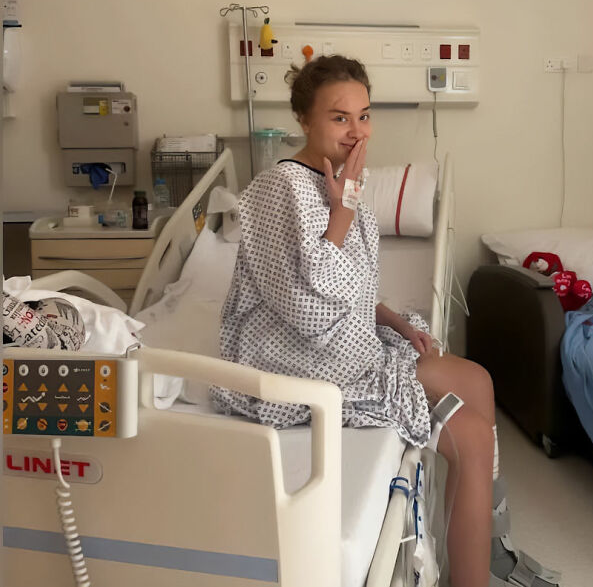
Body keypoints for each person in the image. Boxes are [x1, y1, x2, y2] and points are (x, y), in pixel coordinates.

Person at [212, 55, 560, 587]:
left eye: (365, 115)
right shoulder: (279, 189)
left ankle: (487, 550)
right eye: (340, 117)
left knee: (477, 380)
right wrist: (344, 210)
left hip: (345, 349)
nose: (358, 131)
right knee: (469, 437)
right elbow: (309, 309)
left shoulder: (345, 182)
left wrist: (395, 321)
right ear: (304, 119)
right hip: (296, 363)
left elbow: (354, 285)